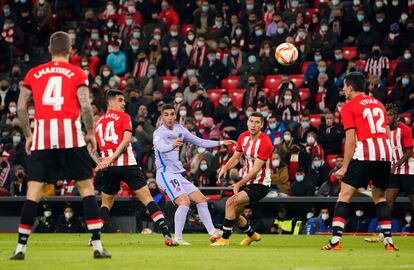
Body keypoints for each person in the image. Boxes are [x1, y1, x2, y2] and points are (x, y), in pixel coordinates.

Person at [10, 31, 110, 260]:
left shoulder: (34, 73)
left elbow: (22, 107)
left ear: (49, 49)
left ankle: (20, 249)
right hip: (71, 136)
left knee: (33, 193)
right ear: (70, 50)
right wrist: (90, 132)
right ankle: (96, 246)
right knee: (86, 188)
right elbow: (85, 106)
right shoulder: (77, 72)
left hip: (43, 137)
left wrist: (28, 135)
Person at [321, 72, 398, 251]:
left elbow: (351, 140)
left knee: (344, 195)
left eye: (344, 86)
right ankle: (389, 242)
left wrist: (345, 167)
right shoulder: (378, 104)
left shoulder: (348, 107)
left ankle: (335, 241)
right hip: (385, 153)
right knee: (379, 198)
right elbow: (387, 133)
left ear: (349, 87)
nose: (343, 90)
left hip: (365, 152)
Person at [94, 90, 176, 246]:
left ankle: (94, 237)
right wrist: (111, 158)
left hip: (109, 168)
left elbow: (99, 148)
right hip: (127, 165)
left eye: (124, 100)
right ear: (110, 103)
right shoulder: (124, 117)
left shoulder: (98, 123)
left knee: (106, 204)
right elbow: (125, 141)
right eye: (120, 100)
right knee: (148, 200)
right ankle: (166, 235)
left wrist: (106, 159)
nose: (124, 103)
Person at [153, 104, 234, 245]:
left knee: (201, 199)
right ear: (161, 117)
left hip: (177, 174)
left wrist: (220, 142)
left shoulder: (180, 129)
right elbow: (160, 148)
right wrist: (172, 145)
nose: (170, 117)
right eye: (166, 114)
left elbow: (200, 142)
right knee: (184, 202)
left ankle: (212, 231)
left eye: (172, 114)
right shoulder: (159, 133)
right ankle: (177, 238)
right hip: (165, 174)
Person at [212, 112, 272, 246]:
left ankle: (224, 238)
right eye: (251, 121)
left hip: (260, 183)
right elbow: (235, 158)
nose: (253, 125)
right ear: (247, 123)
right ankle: (253, 235)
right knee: (235, 213)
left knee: (230, 202)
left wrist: (238, 183)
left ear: (262, 125)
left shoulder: (266, 142)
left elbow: (256, 169)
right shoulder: (243, 137)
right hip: (247, 181)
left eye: (257, 122)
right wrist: (225, 168)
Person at [385, 104, 414, 211]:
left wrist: (396, 165)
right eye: (386, 115)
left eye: (390, 115)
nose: (388, 117)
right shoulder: (384, 131)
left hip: (409, 171)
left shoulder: (405, 129)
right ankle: (387, 228)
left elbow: (409, 152)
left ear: (396, 116)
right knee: (388, 203)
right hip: (394, 172)